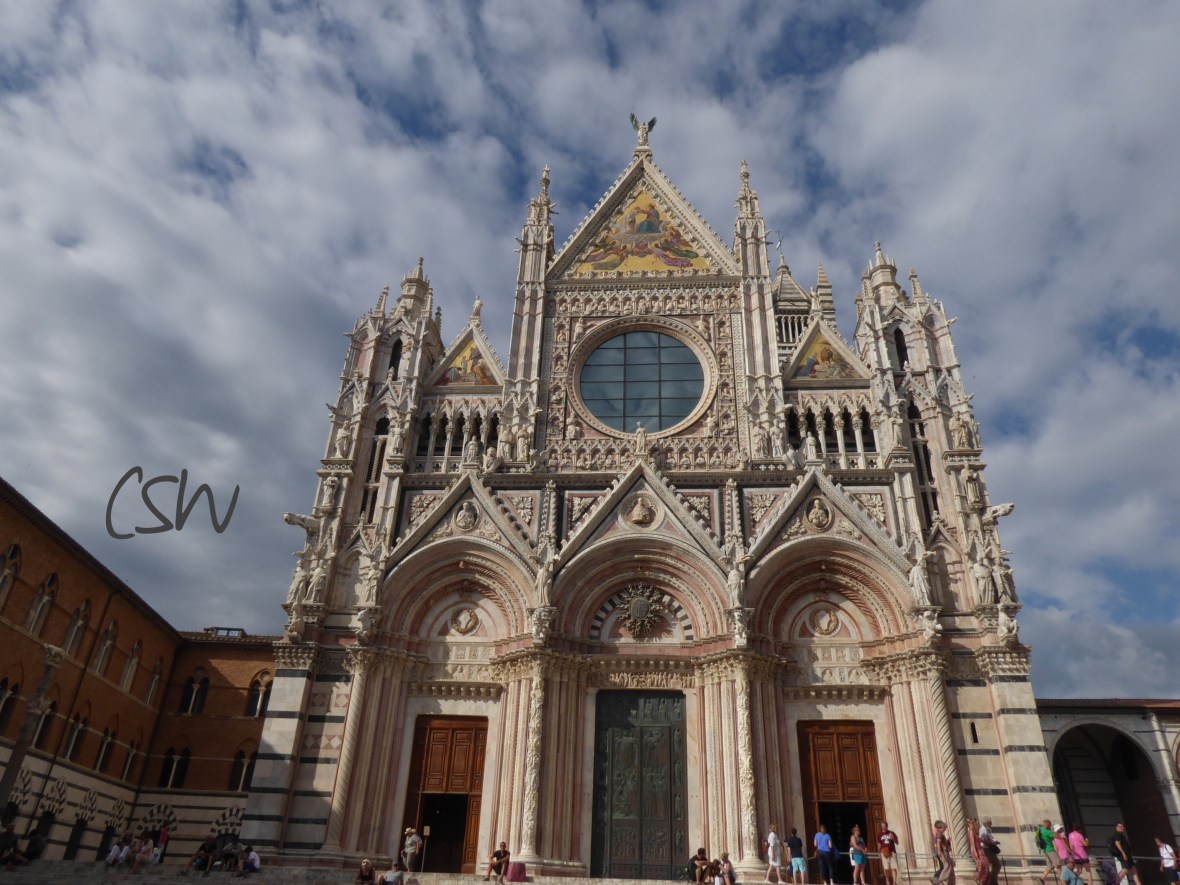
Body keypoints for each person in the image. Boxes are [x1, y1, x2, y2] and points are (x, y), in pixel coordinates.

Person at [1037, 820, 1061, 884]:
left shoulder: (1041, 830)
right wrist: (1054, 831)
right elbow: (1058, 837)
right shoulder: (1047, 831)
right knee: (1058, 865)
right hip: (1050, 850)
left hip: (1045, 850)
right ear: (1048, 825)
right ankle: (1062, 880)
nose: (1050, 826)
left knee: (1050, 866)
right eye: (1050, 825)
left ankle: (1042, 878)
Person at [979, 818, 1001, 885]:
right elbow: (983, 840)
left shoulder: (986, 829)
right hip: (987, 849)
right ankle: (992, 882)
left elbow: (988, 838)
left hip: (988, 849)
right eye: (990, 823)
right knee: (997, 865)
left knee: (994, 865)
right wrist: (992, 843)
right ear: (987, 823)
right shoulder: (983, 829)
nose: (991, 824)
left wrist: (994, 841)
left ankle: (993, 881)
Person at [932, 820, 954, 885]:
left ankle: (936, 878)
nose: (944, 830)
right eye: (943, 828)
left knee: (943, 867)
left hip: (942, 852)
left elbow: (942, 843)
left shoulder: (940, 834)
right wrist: (939, 852)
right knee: (947, 866)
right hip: (941, 852)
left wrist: (948, 841)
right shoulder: (939, 833)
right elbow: (938, 843)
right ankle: (940, 879)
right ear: (940, 828)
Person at [968, 818, 988, 885]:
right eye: (973, 823)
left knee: (985, 864)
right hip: (976, 849)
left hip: (979, 849)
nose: (975, 824)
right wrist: (975, 852)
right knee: (981, 864)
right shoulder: (971, 831)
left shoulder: (975, 831)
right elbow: (972, 843)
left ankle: (982, 880)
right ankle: (978, 879)